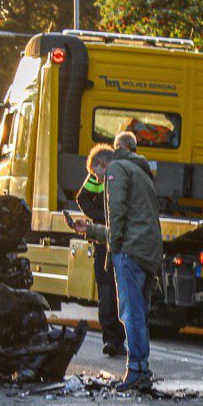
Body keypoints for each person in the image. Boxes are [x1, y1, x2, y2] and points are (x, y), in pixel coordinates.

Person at [71, 131, 162, 391]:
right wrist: (90, 230)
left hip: (130, 251)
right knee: (139, 312)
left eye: (98, 176)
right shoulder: (142, 172)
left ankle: (136, 371)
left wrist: (115, 247)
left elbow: (117, 213)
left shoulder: (117, 170)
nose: (99, 181)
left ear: (104, 162)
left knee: (129, 312)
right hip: (148, 250)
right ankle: (141, 367)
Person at [75, 144, 126, 357]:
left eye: (95, 171)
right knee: (112, 289)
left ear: (102, 164)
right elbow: (82, 198)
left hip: (107, 237)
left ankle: (113, 339)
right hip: (109, 237)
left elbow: (82, 198)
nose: (95, 177)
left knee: (108, 289)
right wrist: (100, 216)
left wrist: (99, 217)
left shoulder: (112, 176)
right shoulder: (118, 175)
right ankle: (115, 340)